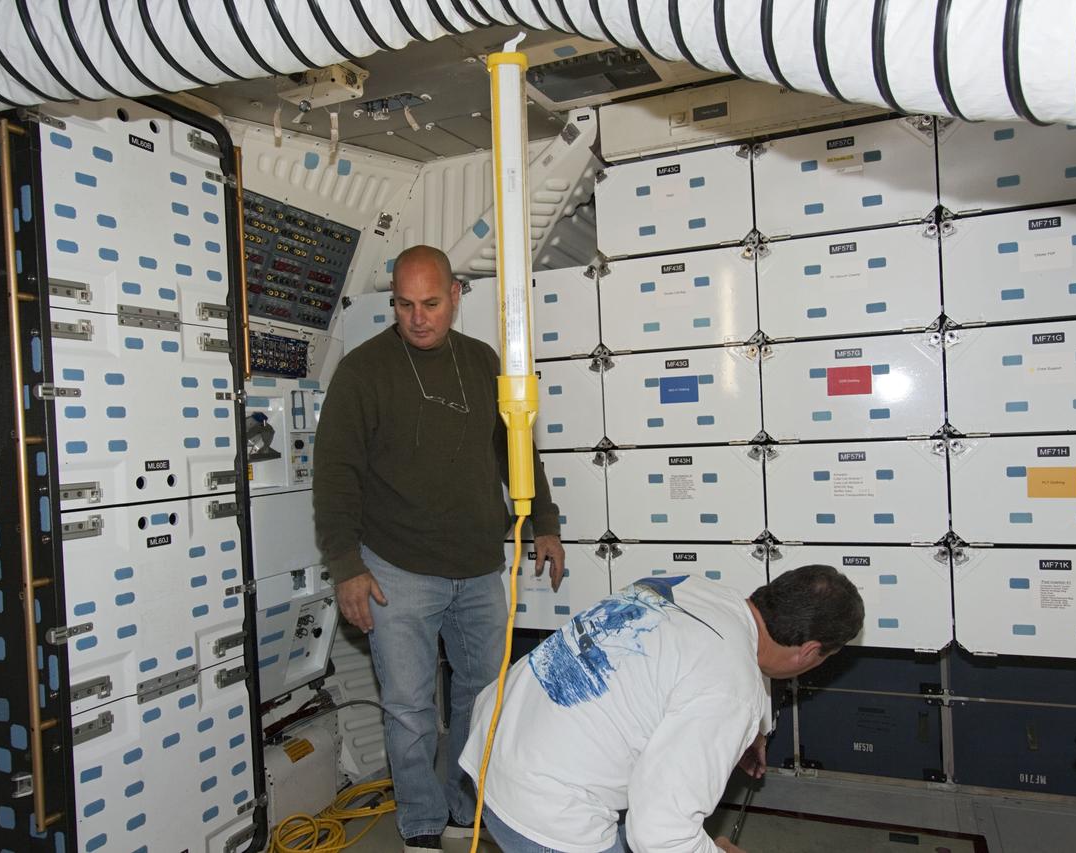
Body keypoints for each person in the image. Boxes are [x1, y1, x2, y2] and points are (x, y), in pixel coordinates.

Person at [313, 245, 564, 852]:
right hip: (394, 569)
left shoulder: (482, 362)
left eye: (430, 303)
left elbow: (517, 451)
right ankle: (421, 827)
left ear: (455, 294)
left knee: (484, 704)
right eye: (404, 304)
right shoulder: (363, 372)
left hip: (479, 569)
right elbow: (335, 474)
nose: (417, 317)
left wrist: (546, 523)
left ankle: (461, 809)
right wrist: (346, 567)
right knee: (408, 710)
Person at [460, 565, 865, 853]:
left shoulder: (691, 585)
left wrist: (748, 724)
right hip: (544, 815)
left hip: (493, 750)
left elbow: (702, 663)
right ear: (811, 652)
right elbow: (660, 835)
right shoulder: (728, 692)